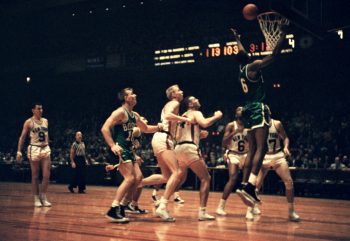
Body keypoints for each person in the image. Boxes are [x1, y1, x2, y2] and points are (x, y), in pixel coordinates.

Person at [231, 25, 288, 207]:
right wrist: (283, 34)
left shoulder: (240, 69)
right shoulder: (253, 65)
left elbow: (241, 51)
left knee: (252, 148)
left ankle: (243, 183)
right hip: (257, 107)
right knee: (261, 149)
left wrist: (237, 37)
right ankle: (250, 186)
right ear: (248, 57)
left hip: (247, 109)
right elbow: (274, 56)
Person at [101, 87, 162, 223]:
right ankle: (113, 209)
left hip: (129, 150)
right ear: (125, 98)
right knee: (129, 178)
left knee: (138, 178)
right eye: (131, 94)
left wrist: (159, 127)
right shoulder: (119, 112)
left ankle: (122, 206)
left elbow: (145, 129)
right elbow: (104, 128)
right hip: (120, 149)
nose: (135, 95)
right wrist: (112, 145)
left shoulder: (135, 115)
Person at [140, 84, 190, 222]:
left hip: (161, 138)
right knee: (177, 173)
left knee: (166, 176)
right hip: (163, 138)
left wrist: (181, 121)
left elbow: (176, 133)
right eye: (179, 90)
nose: (182, 91)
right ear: (174, 94)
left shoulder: (174, 106)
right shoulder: (173, 103)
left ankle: (138, 183)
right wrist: (184, 119)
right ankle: (162, 206)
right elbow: (168, 115)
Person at [175, 96, 222, 220]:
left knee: (178, 178)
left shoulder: (182, 115)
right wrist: (217, 116)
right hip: (190, 149)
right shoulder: (196, 112)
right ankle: (202, 212)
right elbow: (205, 123)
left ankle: (161, 201)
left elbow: (178, 136)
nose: (198, 100)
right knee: (206, 178)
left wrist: (198, 136)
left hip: (179, 149)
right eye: (195, 99)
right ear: (190, 104)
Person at [248, 110, 300, 221]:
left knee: (289, 182)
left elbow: (285, 137)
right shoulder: (258, 126)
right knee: (255, 185)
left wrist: (286, 147)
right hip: (264, 157)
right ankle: (250, 209)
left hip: (277, 155)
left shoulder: (277, 124)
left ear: (269, 113)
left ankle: (291, 212)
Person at [16, 103, 52, 207]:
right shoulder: (29, 122)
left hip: (45, 148)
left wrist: (48, 146)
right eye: (38, 108)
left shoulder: (45, 121)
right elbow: (22, 137)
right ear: (33, 110)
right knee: (35, 175)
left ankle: (43, 197)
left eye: (42, 108)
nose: (41, 110)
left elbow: (47, 135)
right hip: (34, 148)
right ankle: (36, 198)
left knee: (46, 175)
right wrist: (19, 151)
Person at [216, 106, 249, 216]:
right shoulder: (231, 125)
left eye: (243, 110)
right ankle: (221, 206)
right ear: (236, 114)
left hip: (246, 154)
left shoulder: (249, 126)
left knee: (250, 181)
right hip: (233, 154)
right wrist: (234, 132)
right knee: (233, 178)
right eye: (239, 109)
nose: (241, 110)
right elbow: (223, 143)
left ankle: (251, 207)